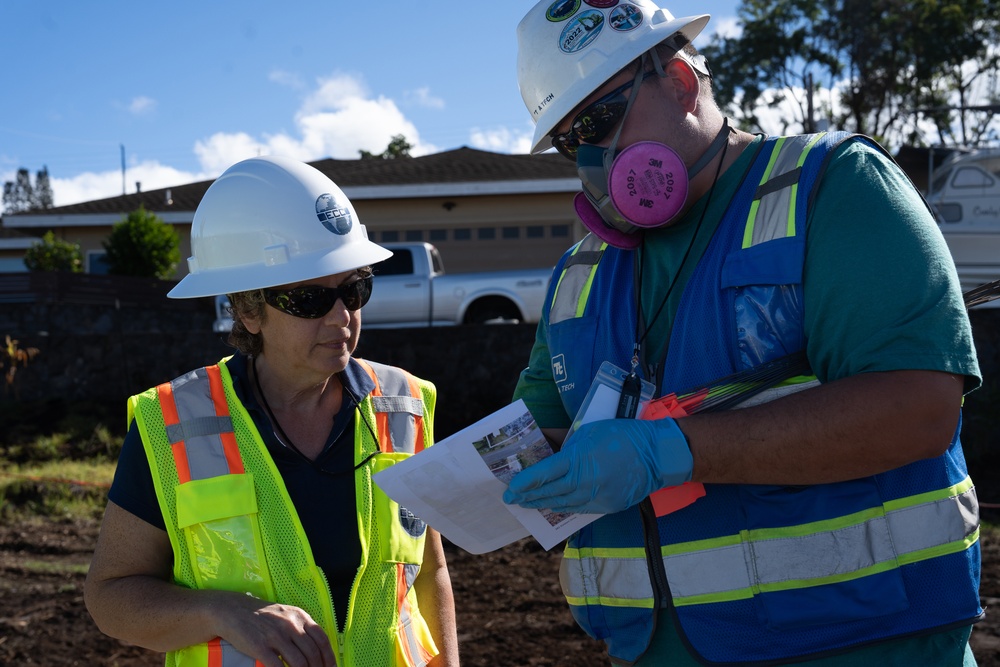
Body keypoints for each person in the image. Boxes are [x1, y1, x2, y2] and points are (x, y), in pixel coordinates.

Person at [502, 1, 983, 665]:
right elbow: (536, 436)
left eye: (598, 120)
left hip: (863, 644)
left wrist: (671, 450)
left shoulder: (834, 189)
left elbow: (918, 409)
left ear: (679, 80)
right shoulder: (579, 276)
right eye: (567, 140)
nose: (590, 155)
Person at [84, 156, 459, 667]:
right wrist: (223, 612)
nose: (342, 316)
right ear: (247, 310)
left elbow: (430, 574)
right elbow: (110, 597)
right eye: (309, 299)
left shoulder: (405, 405)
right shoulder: (171, 424)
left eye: (355, 289)